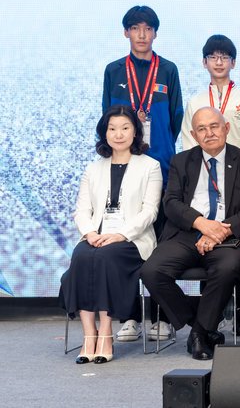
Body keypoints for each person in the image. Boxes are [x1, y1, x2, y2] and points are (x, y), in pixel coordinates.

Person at [141, 107, 240, 360]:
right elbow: (171, 202)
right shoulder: (181, 161)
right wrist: (201, 224)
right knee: (151, 271)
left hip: (228, 236)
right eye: (202, 129)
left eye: (214, 126)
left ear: (226, 128)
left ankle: (198, 334)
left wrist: (219, 230)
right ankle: (201, 323)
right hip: (187, 233)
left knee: (228, 268)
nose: (209, 133)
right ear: (194, 135)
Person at [59, 106, 162, 364]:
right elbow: (82, 210)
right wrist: (90, 233)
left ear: (135, 132)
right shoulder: (93, 169)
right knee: (81, 256)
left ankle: (105, 333)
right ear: (104, 133)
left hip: (132, 239)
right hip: (96, 235)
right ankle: (89, 334)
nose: (118, 134)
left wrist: (121, 235)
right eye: (112, 129)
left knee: (105, 258)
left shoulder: (150, 166)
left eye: (125, 128)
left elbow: (150, 211)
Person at [101, 5, 184, 181]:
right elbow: (106, 116)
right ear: (126, 32)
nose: (141, 35)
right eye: (135, 28)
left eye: (148, 29)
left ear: (155, 33)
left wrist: (163, 143)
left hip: (161, 160)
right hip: (124, 159)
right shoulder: (113, 71)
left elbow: (177, 116)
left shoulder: (168, 70)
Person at [182, 35, 240, 153]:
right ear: (204, 62)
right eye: (213, 57)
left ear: (233, 63)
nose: (219, 62)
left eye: (224, 57)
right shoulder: (194, 103)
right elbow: (189, 143)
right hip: (203, 164)